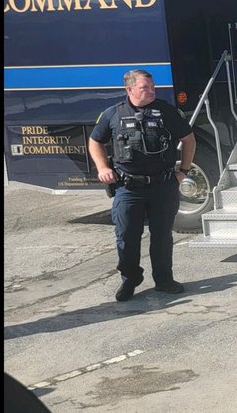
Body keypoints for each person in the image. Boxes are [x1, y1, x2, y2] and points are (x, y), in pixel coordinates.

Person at [88, 69, 196, 302]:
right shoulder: (113, 114)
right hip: (128, 188)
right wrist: (102, 168)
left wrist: (183, 171)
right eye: (145, 87)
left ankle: (164, 280)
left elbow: (188, 139)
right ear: (129, 89)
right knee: (126, 237)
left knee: (162, 236)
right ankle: (130, 279)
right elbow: (95, 141)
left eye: (152, 87)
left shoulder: (167, 112)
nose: (151, 91)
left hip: (162, 186)